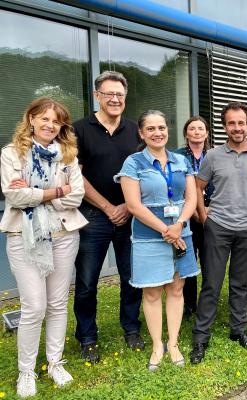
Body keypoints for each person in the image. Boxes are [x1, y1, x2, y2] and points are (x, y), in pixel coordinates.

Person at [1, 98, 87, 397]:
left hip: (64, 234)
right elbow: (14, 198)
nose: (50, 125)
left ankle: (55, 362)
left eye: (57, 121)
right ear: (32, 119)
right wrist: (55, 191)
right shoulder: (12, 154)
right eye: (44, 119)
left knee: (58, 303)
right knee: (34, 306)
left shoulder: (68, 156)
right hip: (23, 236)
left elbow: (76, 197)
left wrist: (34, 192)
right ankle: (26, 371)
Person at [190, 102, 247, 364]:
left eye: (241, 123)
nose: (237, 128)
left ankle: (239, 330)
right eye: (232, 123)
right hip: (219, 228)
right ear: (225, 126)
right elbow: (197, 187)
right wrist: (204, 217)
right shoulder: (213, 156)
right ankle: (201, 337)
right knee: (212, 284)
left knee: (240, 284)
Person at [116, 110, 198, 371]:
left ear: (167, 130)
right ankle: (156, 345)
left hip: (181, 232)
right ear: (141, 133)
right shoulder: (133, 163)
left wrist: (179, 225)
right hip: (149, 238)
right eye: (150, 129)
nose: (157, 132)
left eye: (161, 127)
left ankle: (173, 343)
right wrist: (167, 230)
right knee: (151, 292)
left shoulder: (180, 160)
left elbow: (192, 198)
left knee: (176, 288)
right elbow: (133, 205)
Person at [73, 71, 143, 363]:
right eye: (109, 94)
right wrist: (107, 207)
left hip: (130, 215)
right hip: (93, 215)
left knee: (131, 277)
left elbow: (141, 172)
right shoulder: (79, 129)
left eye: (120, 95)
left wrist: (128, 205)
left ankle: (131, 328)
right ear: (97, 95)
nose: (115, 99)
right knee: (87, 281)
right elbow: (74, 173)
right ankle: (87, 337)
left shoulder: (134, 130)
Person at [175, 116, 214, 317]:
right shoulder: (177, 156)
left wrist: (206, 209)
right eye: (192, 128)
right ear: (186, 133)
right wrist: (194, 209)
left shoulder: (214, 155)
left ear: (207, 133)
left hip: (211, 214)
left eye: (201, 128)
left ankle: (207, 304)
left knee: (209, 261)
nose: (197, 132)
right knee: (188, 259)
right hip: (186, 215)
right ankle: (189, 305)